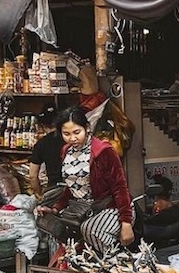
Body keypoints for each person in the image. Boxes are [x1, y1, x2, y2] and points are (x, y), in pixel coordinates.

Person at [37, 106, 134, 253]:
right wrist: (55, 209)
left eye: (77, 132)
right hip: (84, 209)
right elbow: (72, 188)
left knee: (90, 229)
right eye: (66, 134)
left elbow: (120, 187)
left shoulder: (104, 151)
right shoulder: (66, 151)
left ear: (87, 128)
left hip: (113, 207)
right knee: (44, 220)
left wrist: (126, 222)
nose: (72, 138)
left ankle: (115, 264)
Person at [28, 105, 64, 206]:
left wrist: (39, 195)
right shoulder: (71, 139)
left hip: (54, 190)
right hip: (75, 189)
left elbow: (32, 176)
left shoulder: (41, 144)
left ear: (42, 125)